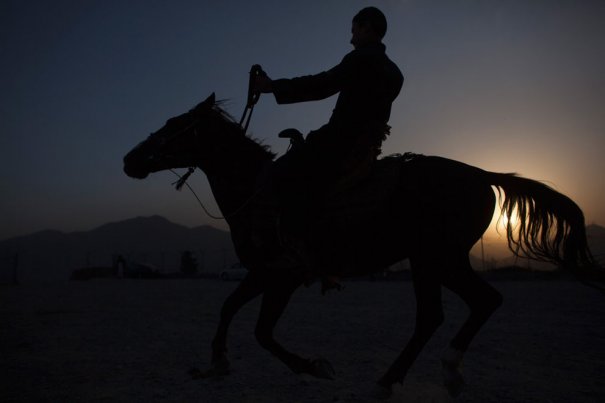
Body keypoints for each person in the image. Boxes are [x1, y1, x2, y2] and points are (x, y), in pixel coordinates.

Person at [255, 7, 404, 275]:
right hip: (367, 149)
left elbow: (322, 84)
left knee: (280, 174)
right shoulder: (395, 73)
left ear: (367, 27)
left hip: (340, 141)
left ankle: (296, 251)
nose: (351, 37)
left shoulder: (361, 58)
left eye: (354, 29)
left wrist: (272, 86)